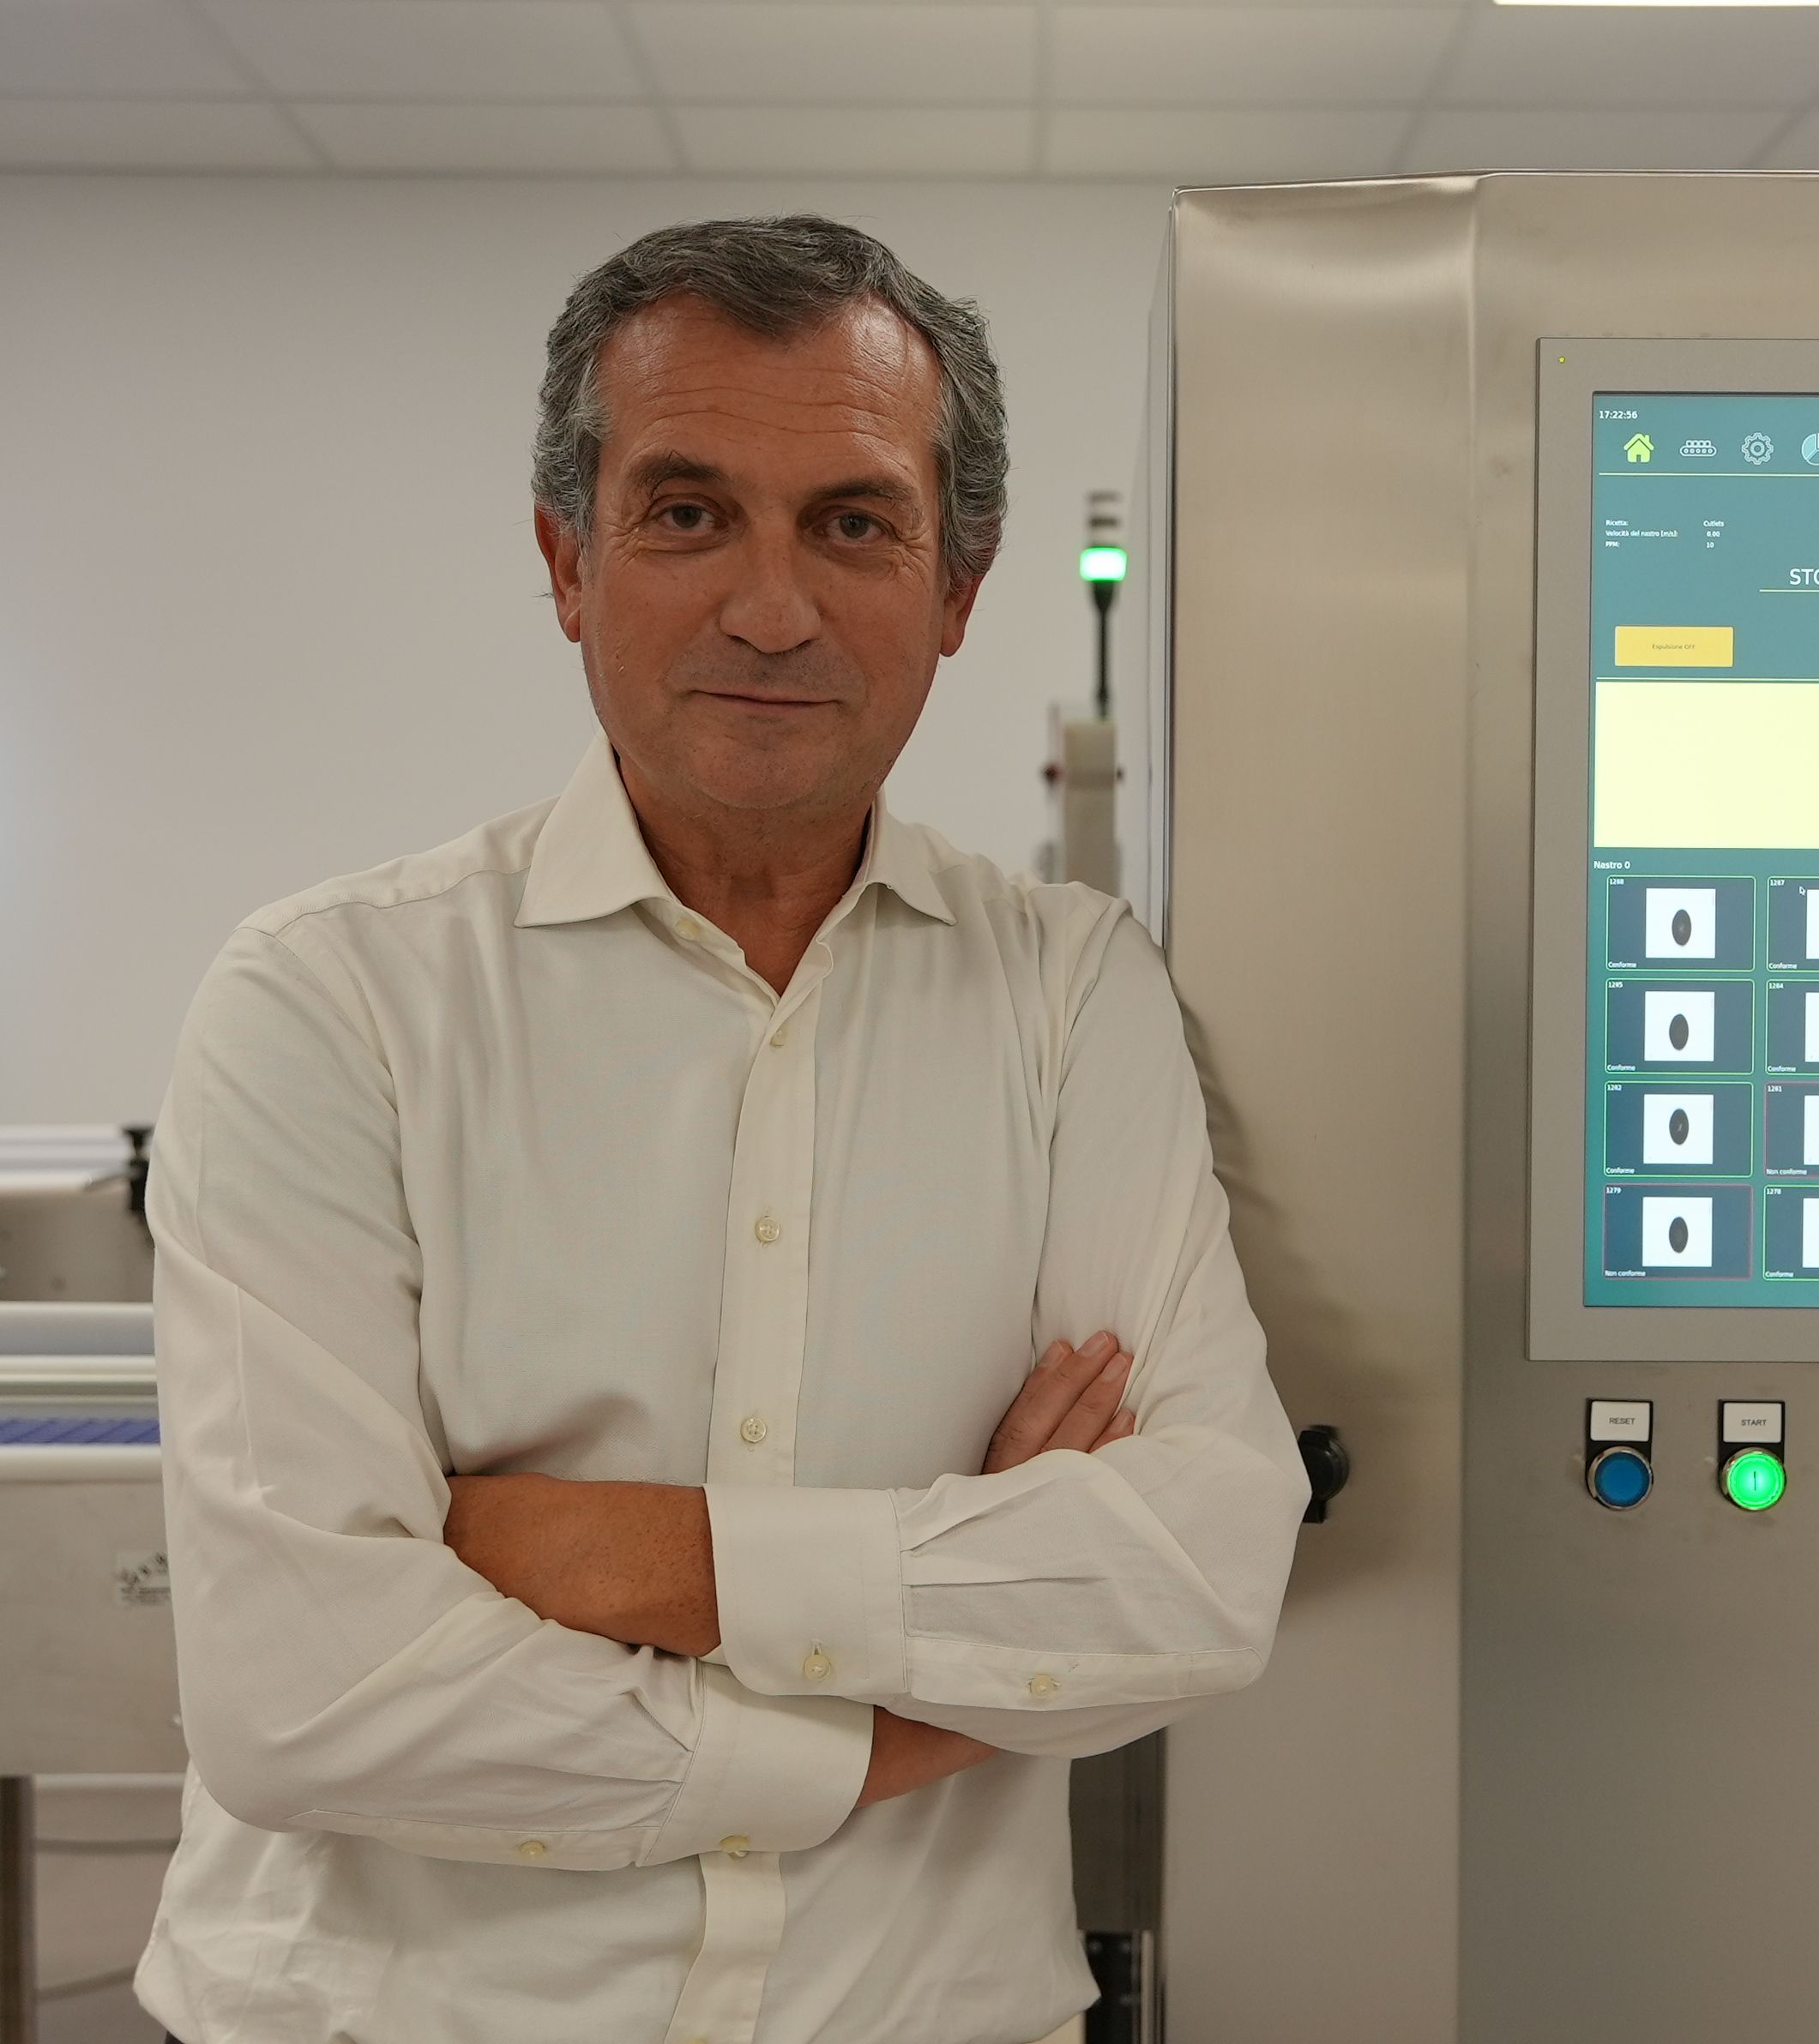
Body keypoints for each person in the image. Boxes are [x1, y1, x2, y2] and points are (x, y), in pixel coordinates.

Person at [130, 214, 1309, 2044]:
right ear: (568, 563)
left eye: (853, 523)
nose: (771, 606)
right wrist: (903, 1702)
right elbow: (305, 1697)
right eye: (688, 514)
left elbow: (1201, 1569)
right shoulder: (332, 998)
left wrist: (635, 1557)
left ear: (958, 587)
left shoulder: (1070, 991)